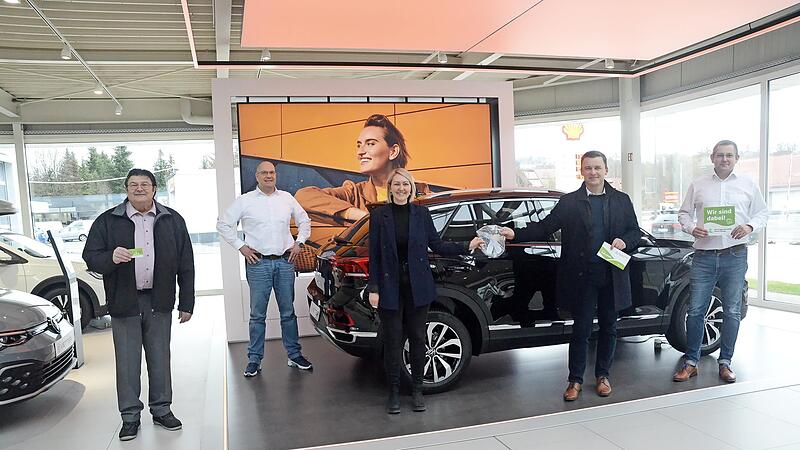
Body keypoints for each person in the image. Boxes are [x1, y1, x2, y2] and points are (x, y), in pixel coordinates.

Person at [498, 151, 640, 401]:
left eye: (597, 168)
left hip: (611, 275)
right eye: (588, 168)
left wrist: (625, 241)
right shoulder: (569, 202)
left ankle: (603, 376)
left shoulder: (621, 200)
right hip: (582, 277)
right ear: (581, 171)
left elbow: (635, 232)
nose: (593, 173)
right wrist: (514, 233)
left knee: (609, 328)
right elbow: (544, 227)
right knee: (580, 330)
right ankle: (575, 380)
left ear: (606, 170)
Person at [82, 169, 195, 441]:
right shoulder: (108, 221)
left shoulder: (172, 220)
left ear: (155, 189)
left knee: (160, 360)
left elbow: (186, 263)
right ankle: (130, 417)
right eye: (134, 185)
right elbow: (91, 257)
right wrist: (110, 257)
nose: (140, 188)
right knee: (128, 363)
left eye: (145, 184)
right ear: (127, 189)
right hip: (124, 303)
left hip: (159, 301)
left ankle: (162, 410)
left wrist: (187, 301)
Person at [368, 168, 482, 414]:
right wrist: (374, 287)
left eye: (405, 185)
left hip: (418, 286)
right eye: (397, 184)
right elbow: (374, 256)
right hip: (390, 287)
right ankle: (394, 392)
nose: (401, 189)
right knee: (393, 340)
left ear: (411, 188)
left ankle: (418, 389)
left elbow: (437, 245)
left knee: (419, 339)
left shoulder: (421, 213)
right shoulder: (379, 216)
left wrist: (466, 245)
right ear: (390, 188)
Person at [672, 140, 768, 384]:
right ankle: (691, 362)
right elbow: (683, 213)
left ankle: (725, 362)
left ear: (737, 158)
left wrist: (748, 226)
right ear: (712, 157)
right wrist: (692, 228)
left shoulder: (748, 184)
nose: (724, 159)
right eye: (720, 155)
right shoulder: (699, 184)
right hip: (704, 256)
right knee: (695, 311)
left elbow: (762, 213)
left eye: (729, 155)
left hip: (735, 255)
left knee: (733, 311)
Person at [217, 160, 313, 378]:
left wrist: (300, 242)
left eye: (272, 172)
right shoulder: (245, 201)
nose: (269, 176)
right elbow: (223, 224)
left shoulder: (287, 198)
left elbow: (304, 220)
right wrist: (241, 246)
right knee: (257, 314)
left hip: (285, 262)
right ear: (257, 176)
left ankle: (294, 355)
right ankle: (254, 359)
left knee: (288, 313)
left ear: (275, 175)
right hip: (258, 263)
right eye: (264, 173)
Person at [295, 114, 431, 227]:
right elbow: (303, 196)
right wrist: (365, 217)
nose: (360, 152)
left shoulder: (424, 194)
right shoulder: (355, 193)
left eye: (370, 144)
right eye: (359, 145)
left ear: (393, 151)